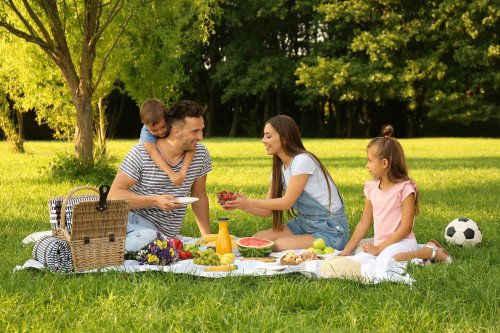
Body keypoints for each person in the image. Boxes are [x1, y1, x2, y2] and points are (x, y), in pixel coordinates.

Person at [324, 125, 451, 282]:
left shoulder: (405, 188)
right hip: (383, 244)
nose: (367, 165)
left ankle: (426, 252)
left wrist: (378, 248)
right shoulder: (371, 188)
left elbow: (406, 228)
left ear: (384, 163)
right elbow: (364, 222)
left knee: (385, 263)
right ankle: (422, 248)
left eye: (370, 161)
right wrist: (346, 251)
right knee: (356, 260)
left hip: (403, 241)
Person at [223, 115, 349, 252]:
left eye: (268, 136)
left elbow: (286, 202)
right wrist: (241, 204)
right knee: (257, 238)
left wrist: (250, 201)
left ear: (284, 138)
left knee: (278, 245)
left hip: (331, 229)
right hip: (305, 223)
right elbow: (266, 210)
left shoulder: (303, 160)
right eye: (264, 136)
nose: (263, 140)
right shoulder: (279, 169)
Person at [109, 100, 212, 252]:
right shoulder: (141, 153)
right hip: (132, 223)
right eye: (195, 131)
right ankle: (106, 247)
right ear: (176, 131)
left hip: (165, 235)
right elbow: (113, 197)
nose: (201, 136)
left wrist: (208, 239)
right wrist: (155, 200)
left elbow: (199, 195)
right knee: (149, 238)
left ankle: (159, 243)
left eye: (201, 130)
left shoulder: (200, 154)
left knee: (159, 242)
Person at [139, 98, 195, 186]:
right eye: (154, 130)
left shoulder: (174, 121)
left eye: (163, 127)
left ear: (167, 117)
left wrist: (183, 171)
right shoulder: (146, 131)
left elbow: (191, 145)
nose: (160, 132)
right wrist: (171, 174)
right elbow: (153, 153)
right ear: (144, 124)